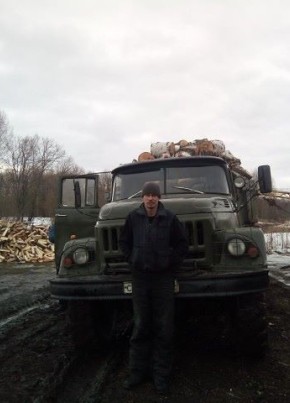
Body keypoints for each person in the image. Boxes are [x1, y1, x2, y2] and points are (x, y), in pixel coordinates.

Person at [119, 182, 188, 394]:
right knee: (140, 326)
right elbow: (124, 243)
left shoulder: (169, 218)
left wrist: (169, 262)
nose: (150, 199)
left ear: (159, 198)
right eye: (147, 195)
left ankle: (161, 376)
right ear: (142, 198)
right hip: (140, 279)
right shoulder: (133, 218)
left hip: (163, 280)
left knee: (164, 328)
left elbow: (182, 244)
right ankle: (137, 374)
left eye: (154, 195)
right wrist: (133, 259)